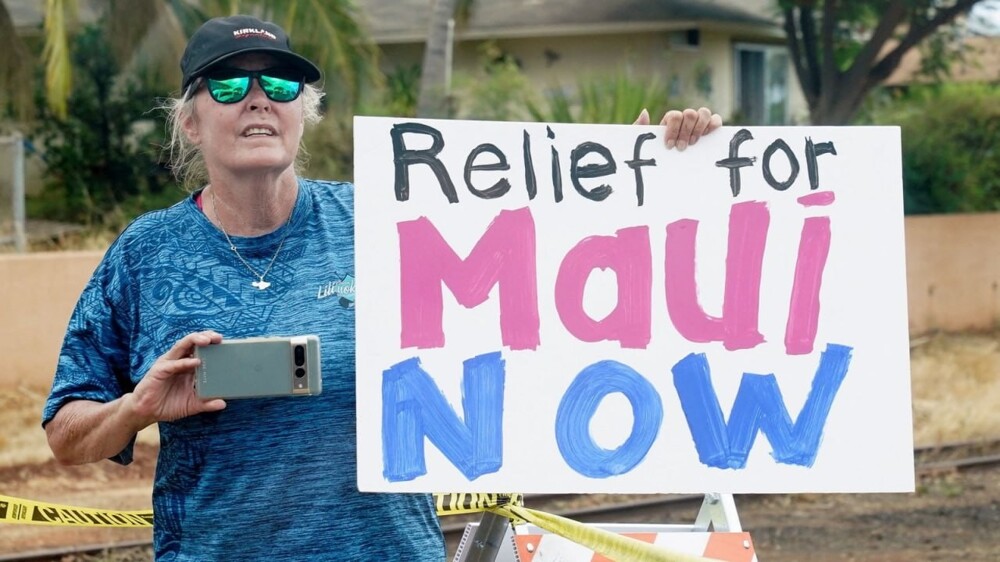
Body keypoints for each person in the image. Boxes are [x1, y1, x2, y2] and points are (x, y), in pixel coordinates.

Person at [42, 14, 723, 561]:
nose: (257, 98)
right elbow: (67, 437)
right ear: (189, 121)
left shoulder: (387, 220)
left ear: (304, 112)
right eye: (227, 85)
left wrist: (634, 171)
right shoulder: (146, 254)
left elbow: (537, 267)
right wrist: (136, 407)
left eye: (280, 84)